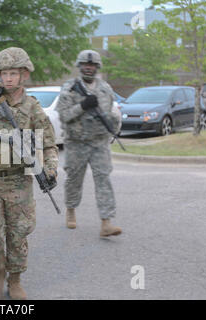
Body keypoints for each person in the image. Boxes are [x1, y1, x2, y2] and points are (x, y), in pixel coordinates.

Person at [0, 47, 58, 299]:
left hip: (18, 181)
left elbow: (49, 143)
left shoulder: (32, 107)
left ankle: (14, 280)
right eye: (3, 73)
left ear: (24, 75)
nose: (8, 79)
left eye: (13, 73)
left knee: (18, 234)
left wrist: (50, 168)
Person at [56, 49, 122, 237]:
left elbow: (110, 112)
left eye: (92, 65)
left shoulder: (105, 89)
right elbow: (64, 115)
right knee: (74, 179)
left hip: (99, 142)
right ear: (79, 66)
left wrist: (113, 126)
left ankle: (106, 222)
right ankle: (71, 209)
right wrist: (82, 106)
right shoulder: (69, 88)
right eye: (85, 64)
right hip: (76, 142)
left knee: (103, 178)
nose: (88, 68)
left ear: (97, 67)